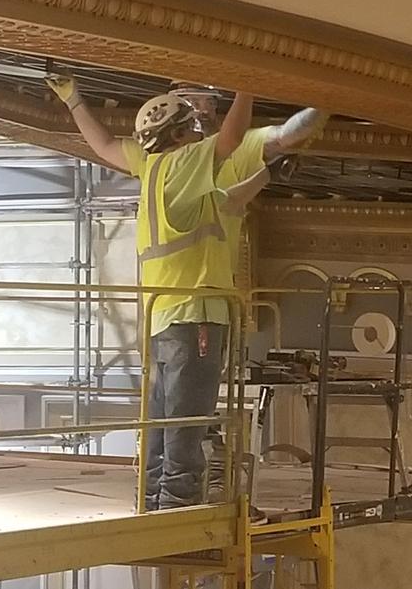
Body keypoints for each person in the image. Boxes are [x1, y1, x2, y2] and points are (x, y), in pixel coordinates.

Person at [47, 75, 267, 510]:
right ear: (180, 135)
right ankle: (176, 513)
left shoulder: (148, 167)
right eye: (192, 126)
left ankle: (150, 504)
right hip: (196, 314)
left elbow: (103, 144)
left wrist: (74, 99)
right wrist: (247, 86)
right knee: (187, 428)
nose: (197, 131)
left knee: (162, 424)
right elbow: (231, 139)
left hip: (163, 319)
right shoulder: (184, 165)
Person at [168, 81, 328, 504]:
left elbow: (286, 135)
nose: (198, 109)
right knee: (183, 406)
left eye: (204, 101)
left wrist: (329, 99)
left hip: (209, 305)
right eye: (188, 102)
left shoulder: (234, 152)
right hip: (186, 306)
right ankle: (182, 492)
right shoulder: (166, 165)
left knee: (194, 401)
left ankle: (193, 486)